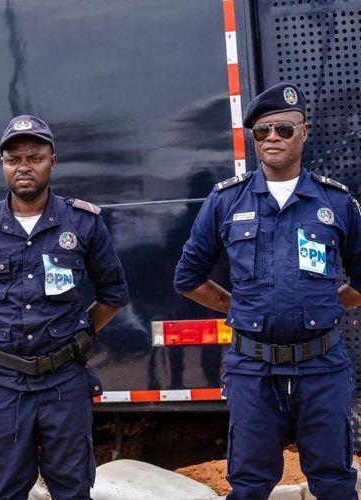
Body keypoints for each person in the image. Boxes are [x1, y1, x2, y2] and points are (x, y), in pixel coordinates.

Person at [174, 83, 361, 499]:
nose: (272, 137)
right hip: (252, 370)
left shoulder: (335, 202)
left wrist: (330, 304)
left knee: (334, 482)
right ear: (254, 138)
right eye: (262, 131)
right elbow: (188, 277)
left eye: (283, 129)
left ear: (304, 132)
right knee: (249, 485)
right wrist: (237, 306)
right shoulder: (226, 200)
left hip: (321, 367)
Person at [0, 115, 129, 499]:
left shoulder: (83, 223)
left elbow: (113, 294)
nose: (24, 167)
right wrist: (5, 331)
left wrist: (79, 332)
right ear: (2, 164)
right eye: (13, 159)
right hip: (3, 383)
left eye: (34, 158)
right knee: (6, 489)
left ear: (53, 161)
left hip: (63, 381)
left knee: (72, 488)